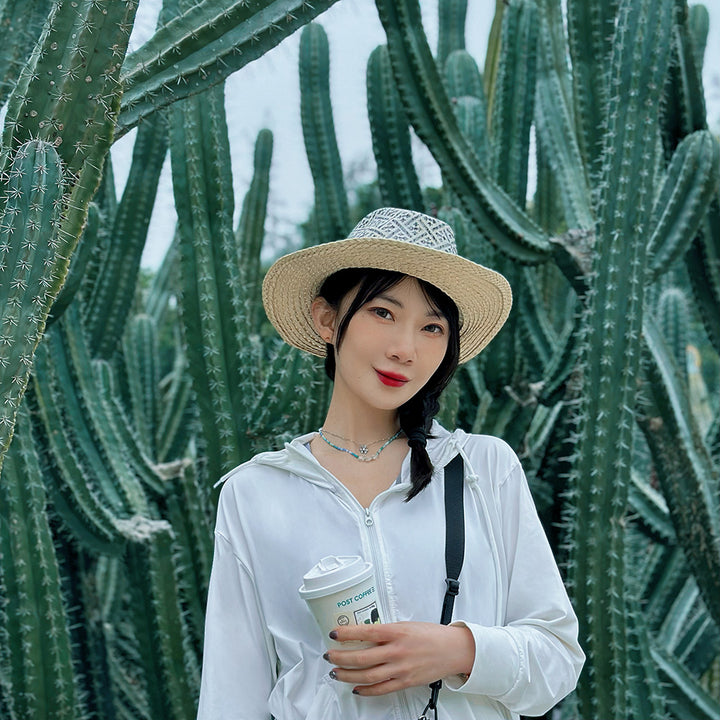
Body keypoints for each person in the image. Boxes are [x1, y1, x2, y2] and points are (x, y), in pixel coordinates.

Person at [196, 207, 584, 720]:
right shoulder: (254, 493)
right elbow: (231, 696)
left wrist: (458, 650)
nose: (405, 349)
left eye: (432, 327)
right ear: (328, 320)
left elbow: (557, 658)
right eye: (383, 313)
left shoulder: (483, 468)